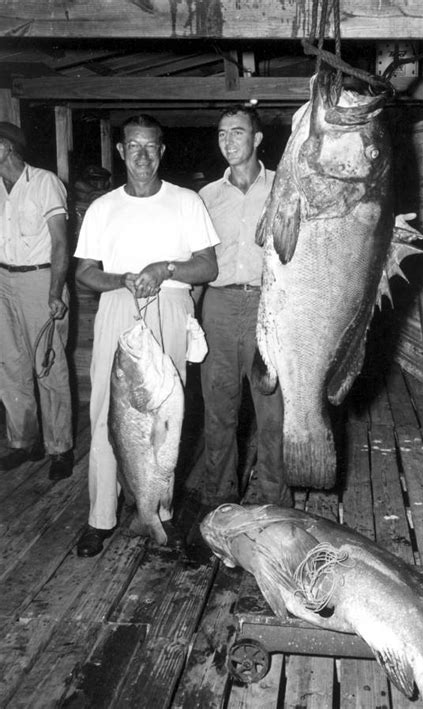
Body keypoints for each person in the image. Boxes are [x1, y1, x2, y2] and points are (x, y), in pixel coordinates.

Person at [74, 114, 219, 558]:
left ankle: (159, 511)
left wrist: (165, 269)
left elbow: (208, 267)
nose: (141, 154)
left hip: (171, 305)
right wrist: (123, 279)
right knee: (107, 414)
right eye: (133, 146)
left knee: (164, 421)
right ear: (120, 151)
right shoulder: (103, 208)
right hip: (119, 305)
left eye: (150, 147)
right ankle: (100, 516)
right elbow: (84, 275)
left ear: (162, 151)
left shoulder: (187, 201)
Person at [199, 105, 293, 509]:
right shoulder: (206, 197)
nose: (228, 142)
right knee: (219, 410)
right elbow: (198, 260)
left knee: (272, 413)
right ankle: (219, 498)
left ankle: (276, 501)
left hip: (268, 307)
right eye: (222, 134)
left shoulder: (284, 187)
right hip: (218, 306)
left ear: (257, 138)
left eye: (237, 132)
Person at [0, 122, 74, 481]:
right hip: (2, 280)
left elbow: (61, 242)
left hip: (40, 279)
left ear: (6, 148)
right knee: (9, 366)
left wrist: (55, 291)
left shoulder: (44, 183)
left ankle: (60, 447)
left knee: (49, 365)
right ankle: (22, 441)